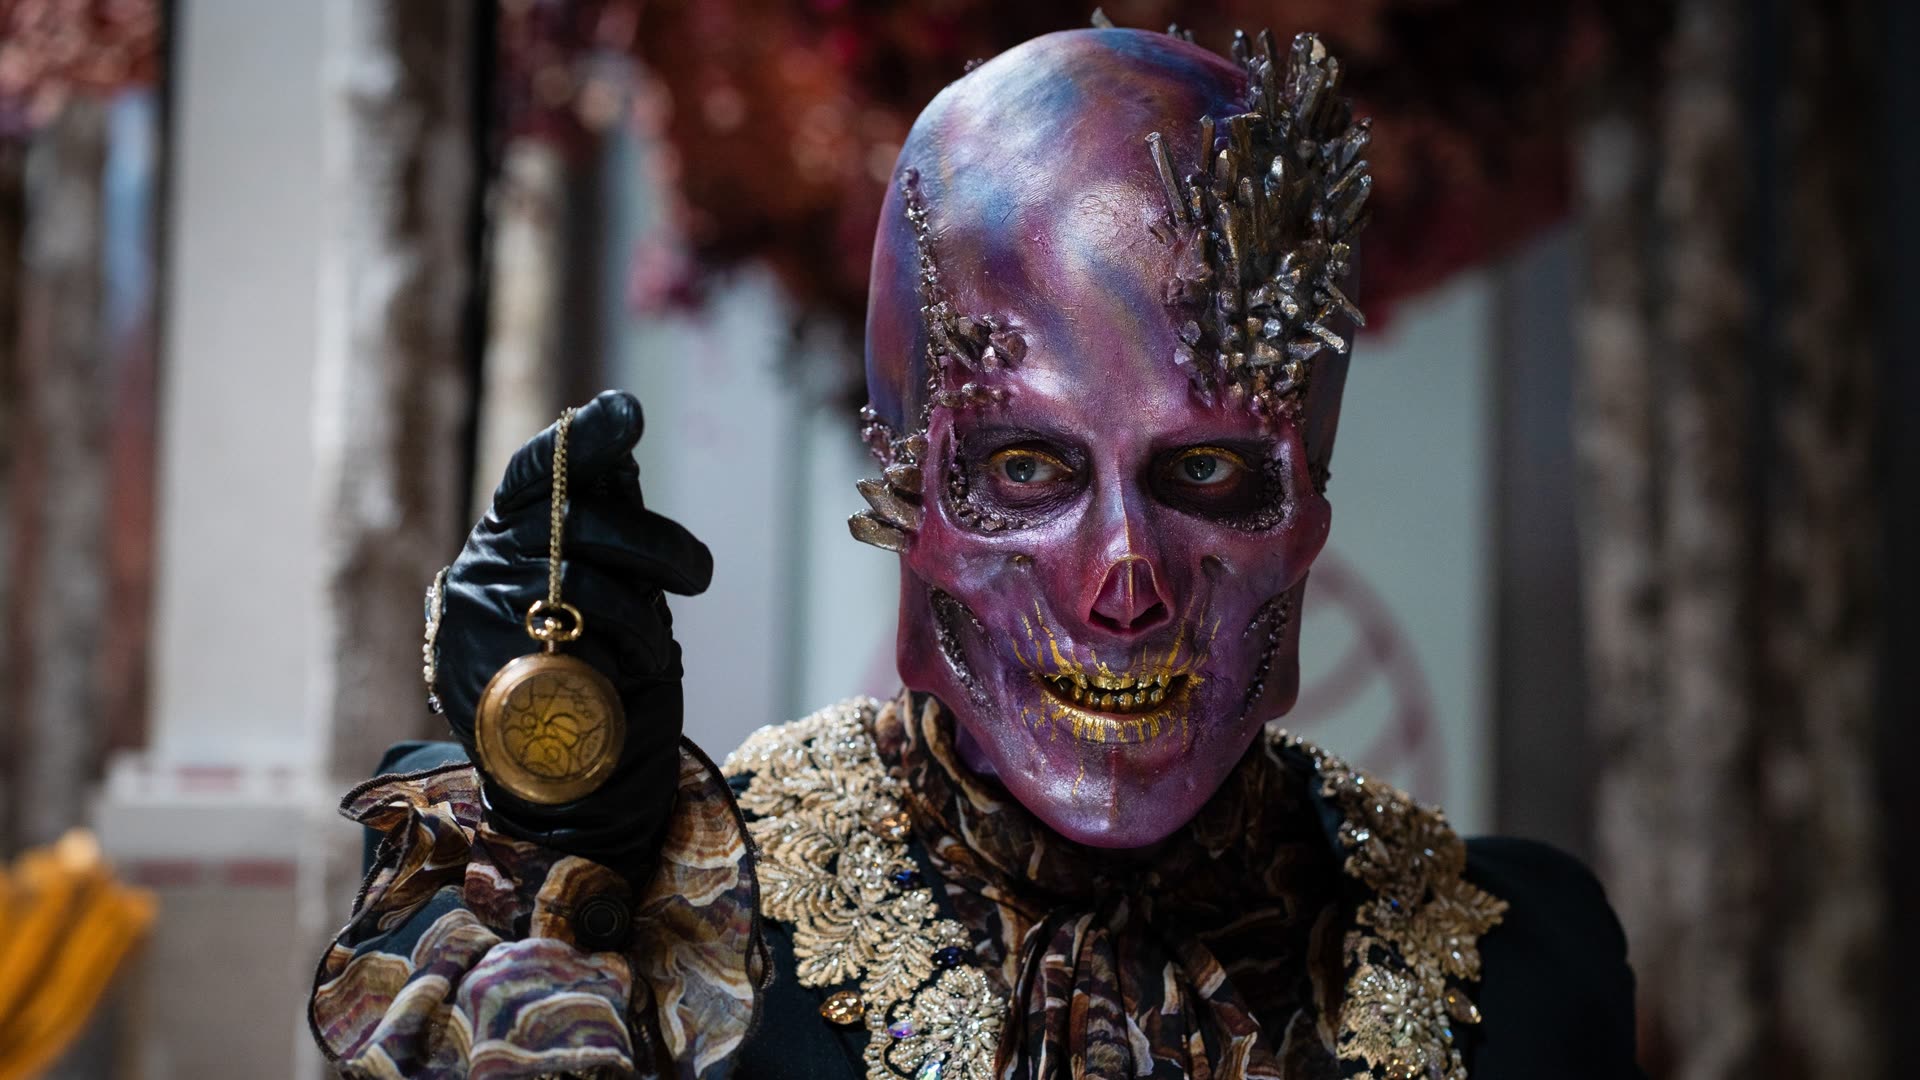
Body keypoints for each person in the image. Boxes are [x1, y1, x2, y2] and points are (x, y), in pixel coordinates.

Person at [309, 24, 1641, 1080]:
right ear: (906, 486)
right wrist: (556, 840)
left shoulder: (1519, 968)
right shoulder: (690, 931)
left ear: (1308, 502)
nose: (1124, 585)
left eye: (1206, 472)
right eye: (1026, 469)